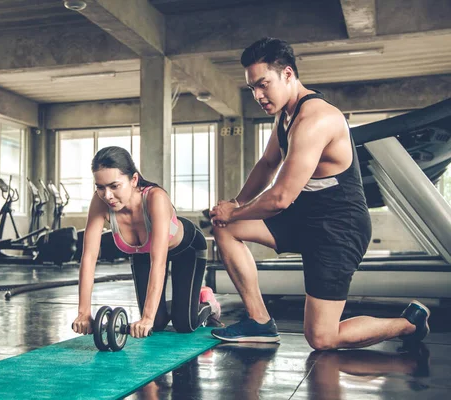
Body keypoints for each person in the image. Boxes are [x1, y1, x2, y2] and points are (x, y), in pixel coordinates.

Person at [209, 37, 430, 349]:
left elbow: (280, 197)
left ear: (288, 74)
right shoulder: (285, 115)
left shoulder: (316, 119)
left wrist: (235, 211)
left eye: (263, 84)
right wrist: (236, 203)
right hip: (305, 215)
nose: (257, 95)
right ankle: (259, 321)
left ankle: (408, 324)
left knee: (322, 338)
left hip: (339, 227)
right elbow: (267, 163)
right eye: (252, 88)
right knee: (226, 227)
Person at [72, 146, 221, 338]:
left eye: (114, 186)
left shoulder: (155, 197)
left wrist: (147, 318)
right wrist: (84, 313)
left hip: (187, 249)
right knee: (157, 324)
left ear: (133, 180)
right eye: (100, 187)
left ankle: (208, 302)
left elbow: (158, 261)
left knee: (185, 323)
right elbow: (89, 258)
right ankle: (178, 305)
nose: (107, 195)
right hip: (143, 254)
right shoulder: (100, 202)